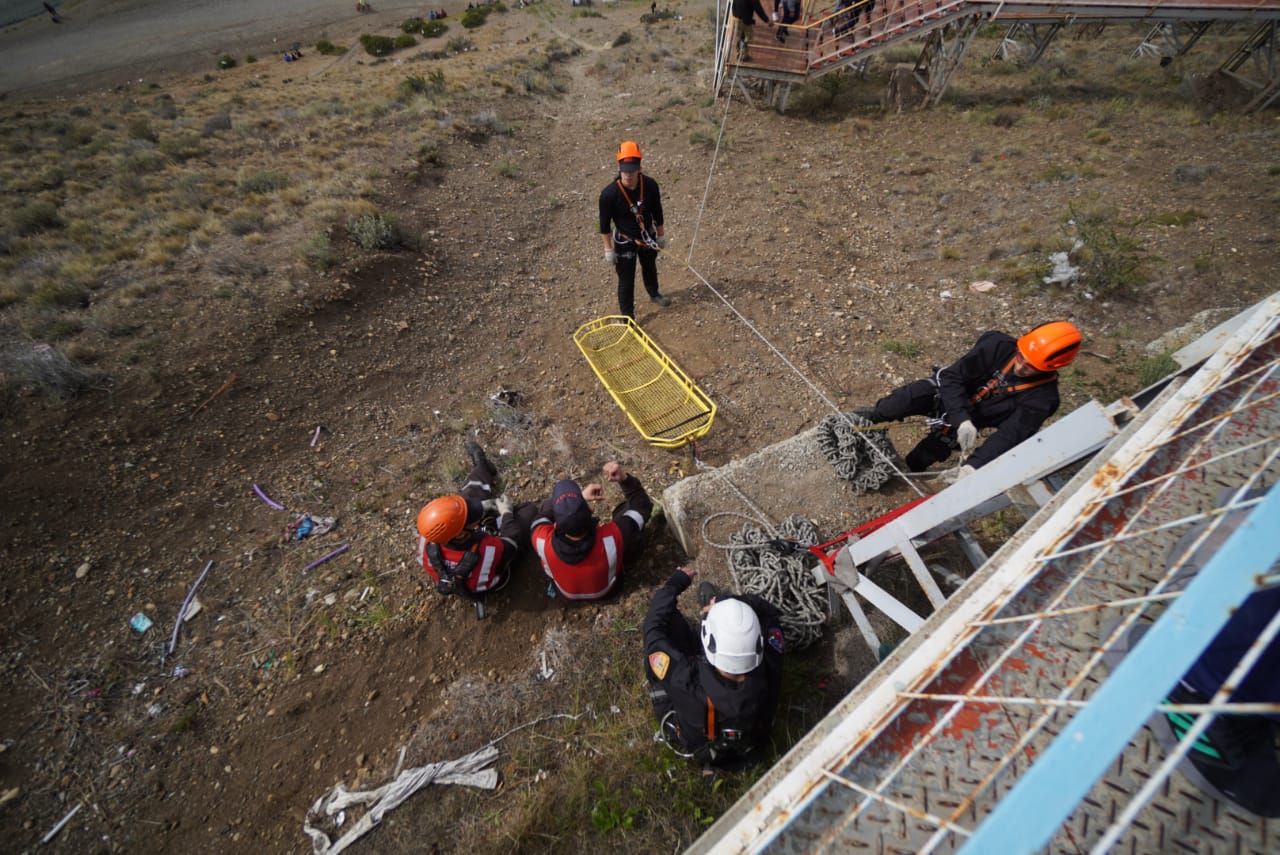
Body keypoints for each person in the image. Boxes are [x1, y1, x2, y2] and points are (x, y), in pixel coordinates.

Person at [857, 321, 1082, 477]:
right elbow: (952, 376)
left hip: (969, 424)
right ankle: (858, 425)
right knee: (898, 403)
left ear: (1051, 368)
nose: (1020, 366)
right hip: (945, 395)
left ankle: (899, 474)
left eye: (1031, 366)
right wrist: (960, 417)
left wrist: (973, 466)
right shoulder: (998, 345)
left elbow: (1010, 436)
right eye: (1021, 356)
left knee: (924, 457)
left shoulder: (1043, 400)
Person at [644, 566, 784, 771]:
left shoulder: (684, 680)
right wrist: (732, 604)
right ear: (758, 643)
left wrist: (674, 584)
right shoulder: (771, 661)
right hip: (751, 743)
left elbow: (653, 631)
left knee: (670, 626)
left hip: (698, 744)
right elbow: (770, 613)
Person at [415, 441, 535, 615]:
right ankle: (483, 469)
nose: (474, 514)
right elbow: (511, 542)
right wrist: (507, 514)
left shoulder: (427, 537)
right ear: (462, 533)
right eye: (470, 519)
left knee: (467, 498)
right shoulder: (489, 550)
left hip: (465, 562)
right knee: (528, 512)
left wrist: (481, 508)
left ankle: (483, 467)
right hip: (493, 575)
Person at [530, 461, 653, 600]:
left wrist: (575, 501)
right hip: (608, 590)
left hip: (566, 593)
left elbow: (541, 517)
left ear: (555, 524)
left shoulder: (540, 539)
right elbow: (642, 506)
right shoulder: (614, 536)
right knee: (624, 510)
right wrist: (624, 479)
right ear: (590, 510)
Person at [598, 141, 671, 319]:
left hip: (647, 237)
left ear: (639, 168)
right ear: (618, 167)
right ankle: (628, 316)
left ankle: (654, 293)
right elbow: (604, 225)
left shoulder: (650, 186)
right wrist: (608, 249)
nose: (628, 174)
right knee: (626, 280)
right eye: (624, 169)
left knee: (650, 267)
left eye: (632, 169)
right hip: (625, 242)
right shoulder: (609, 195)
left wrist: (661, 234)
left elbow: (657, 211)